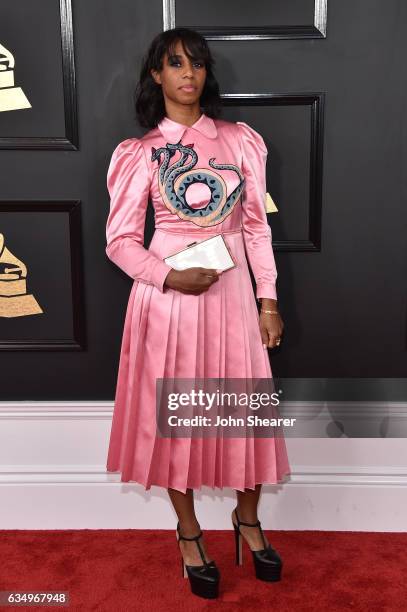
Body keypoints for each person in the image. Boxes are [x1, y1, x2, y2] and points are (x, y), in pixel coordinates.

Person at [105, 26, 291, 599]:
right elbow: (120, 241)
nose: (189, 74)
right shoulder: (139, 153)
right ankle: (189, 533)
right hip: (170, 304)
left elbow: (257, 228)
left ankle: (248, 519)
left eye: (198, 65)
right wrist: (169, 277)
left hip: (235, 300)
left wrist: (269, 301)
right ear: (156, 75)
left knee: (244, 413)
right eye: (176, 64)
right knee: (179, 418)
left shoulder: (240, 141)